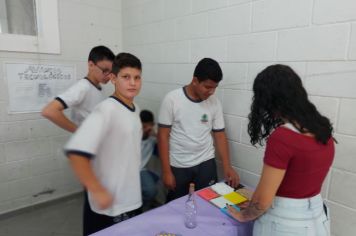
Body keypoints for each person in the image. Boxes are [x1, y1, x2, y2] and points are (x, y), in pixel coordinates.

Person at [227, 64, 335, 236]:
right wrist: (255, 200)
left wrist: (244, 216)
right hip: (316, 218)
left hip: (285, 223)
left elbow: (263, 201)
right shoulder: (324, 130)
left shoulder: (283, 137)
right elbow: (295, 182)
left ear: (271, 101)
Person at [64, 52, 143, 235]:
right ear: (113, 78)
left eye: (137, 77)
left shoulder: (135, 109)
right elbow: (76, 154)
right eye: (126, 77)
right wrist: (97, 190)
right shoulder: (105, 110)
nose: (132, 83)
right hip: (109, 205)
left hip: (131, 197)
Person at [158, 58, 240, 202]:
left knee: (208, 203)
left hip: (206, 162)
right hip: (179, 164)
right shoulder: (172, 99)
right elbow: (163, 136)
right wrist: (166, 171)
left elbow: (219, 135)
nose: (212, 92)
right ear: (195, 80)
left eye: (215, 87)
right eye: (208, 87)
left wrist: (228, 166)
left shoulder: (215, 103)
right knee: (177, 205)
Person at [42, 45, 115, 132]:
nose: (109, 76)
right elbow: (49, 111)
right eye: (105, 71)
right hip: (86, 143)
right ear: (91, 65)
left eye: (111, 72)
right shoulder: (83, 87)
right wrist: (79, 132)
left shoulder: (99, 88)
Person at [139, 110, 160, 209]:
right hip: (125, 170)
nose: (147, 129)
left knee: (151, 191)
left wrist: (156, 135)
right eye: (144, 126)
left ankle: (143, 209)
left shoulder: (152, 138)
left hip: (141, 170)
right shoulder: (131, 135)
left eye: (150, 125)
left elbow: (165, 147)